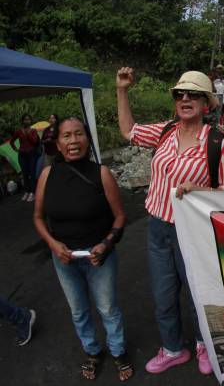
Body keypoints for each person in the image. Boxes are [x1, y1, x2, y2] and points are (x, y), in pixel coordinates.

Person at [115, 67, 224, 376]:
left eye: (193, 94)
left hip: (193, 231)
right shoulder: (164, 131)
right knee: (163, 293)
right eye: (180, 94)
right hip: (158, 228)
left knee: (199, 293)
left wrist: (201, 190)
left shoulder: (217, 143)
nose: (185, 98)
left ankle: (203, 345)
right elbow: (128, 131)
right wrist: (121, 90)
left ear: (206, 103)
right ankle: (172, 348)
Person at [33, 117, 133, 381]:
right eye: (66, 136)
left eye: (79, 134)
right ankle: (92, 351)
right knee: (78, 310)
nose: (73, 141)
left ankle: (118, 351)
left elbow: (120, 216)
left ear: (87, 140)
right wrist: (53, 245)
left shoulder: (101, 173)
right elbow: (38, 218)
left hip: (99, 255)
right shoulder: (47, 175)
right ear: (58, 143)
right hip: (63, 258)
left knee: (108, 308)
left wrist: (105, 244)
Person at [10, 113, 40, 201]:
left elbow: (34, 142)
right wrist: (16, 149)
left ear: (31, 121)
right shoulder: (19, 131)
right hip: (22, 155)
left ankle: (33, 193)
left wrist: (28, 133)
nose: (27, 121)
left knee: (32, 173)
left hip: (32, 155)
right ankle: (27, 191)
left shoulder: (33, 130)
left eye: (28, 119)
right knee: (25, 174)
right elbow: (12, 141)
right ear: (22, 121)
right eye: (25, 119)